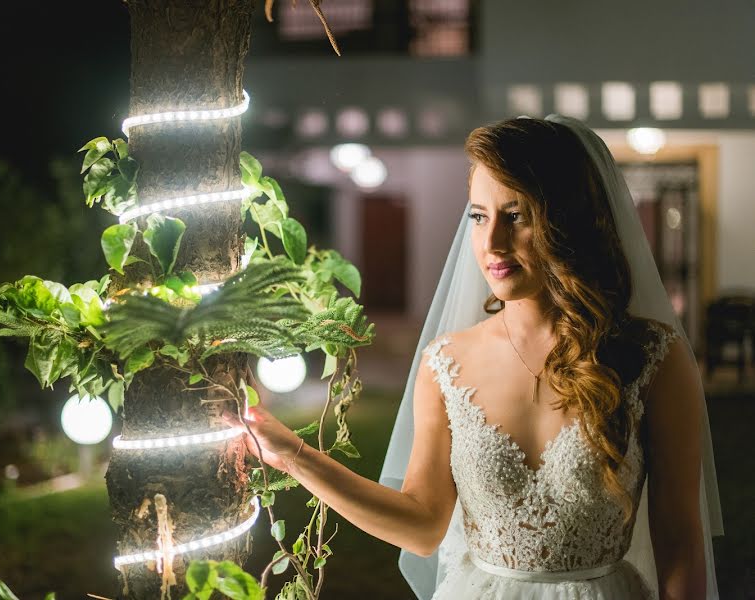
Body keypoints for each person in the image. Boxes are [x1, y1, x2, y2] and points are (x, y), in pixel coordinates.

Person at [222, 115, 722, 599]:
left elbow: (680, 543)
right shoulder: (447, 364)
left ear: (567, 220)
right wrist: (291, 455)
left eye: (517, 216)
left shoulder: (651, 358)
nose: (491, 243)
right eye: (479, 216)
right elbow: (421, 526)